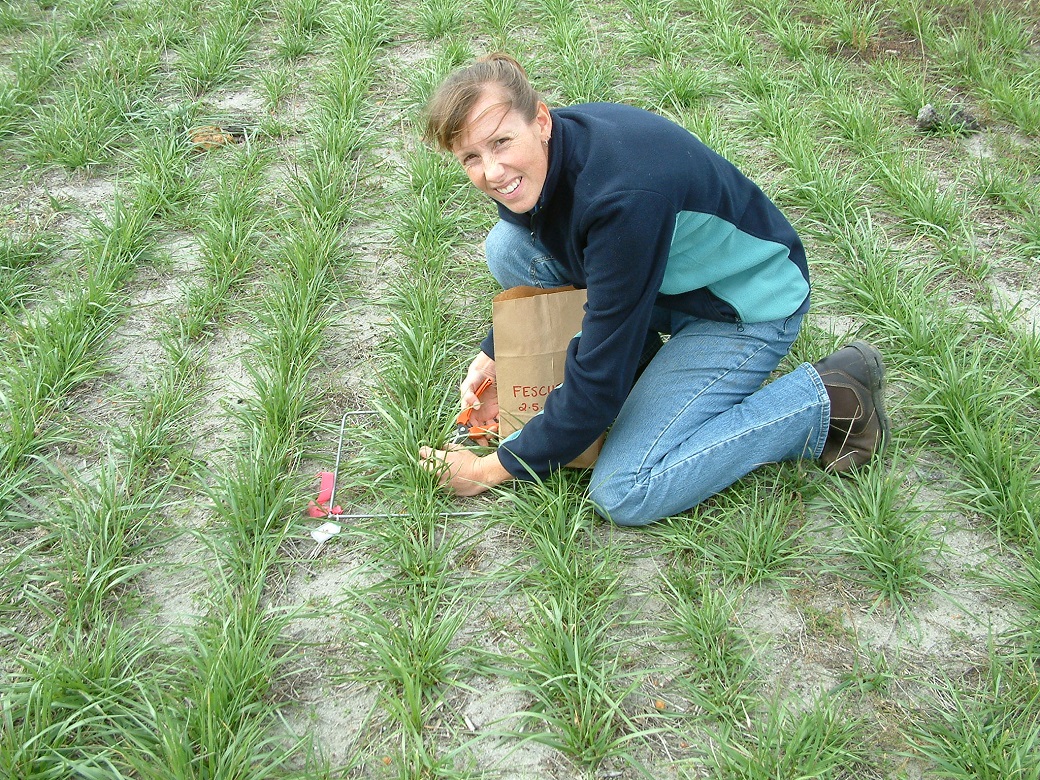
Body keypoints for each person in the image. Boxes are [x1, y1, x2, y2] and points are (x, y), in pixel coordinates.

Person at [417, 54, 890, 527]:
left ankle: (828, 400)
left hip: (743, 308)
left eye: (501, 142)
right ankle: (644, 365)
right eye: (472, 158)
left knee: (624, 490)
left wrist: (488, 469)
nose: (493, 172)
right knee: (510, 247)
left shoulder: (620, 198)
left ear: (540, 119)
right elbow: (559, 247)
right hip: (663, 282)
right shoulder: (546, 161)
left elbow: (597, 382)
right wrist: (496, 354)